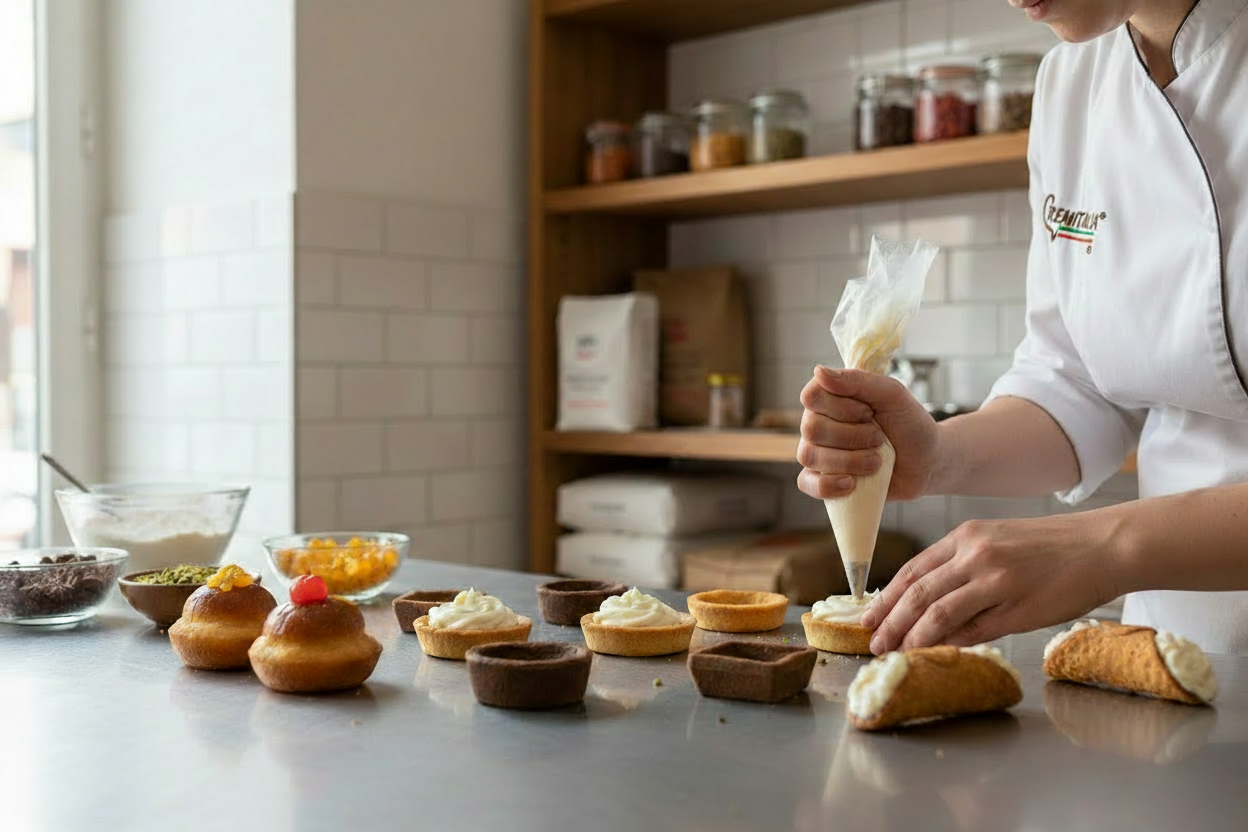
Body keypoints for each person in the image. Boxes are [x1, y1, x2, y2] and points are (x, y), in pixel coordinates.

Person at [797, 0, 1248, 655]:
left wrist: (1104, 548)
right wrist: (936, 455)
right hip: (1175, 649)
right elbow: (1076, 381)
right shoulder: (1072, 83)